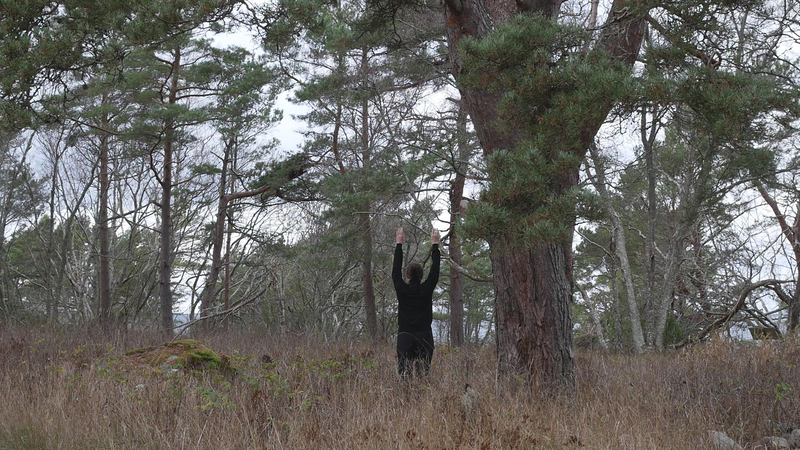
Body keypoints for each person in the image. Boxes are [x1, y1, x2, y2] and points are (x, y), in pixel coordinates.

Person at [393, 226, 440, 378]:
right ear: (421, 276)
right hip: (424, 336)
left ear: (407, 276)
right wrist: (435, 245)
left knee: (404, 376)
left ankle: (406, 393)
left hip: (404, 336)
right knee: (423, 376)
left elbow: (395, 271)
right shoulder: (426, 289)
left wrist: (399, 244)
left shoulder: (402, 289)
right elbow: (435, 271)